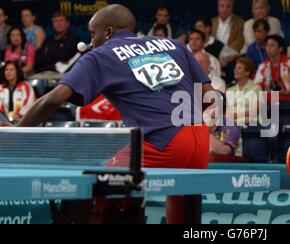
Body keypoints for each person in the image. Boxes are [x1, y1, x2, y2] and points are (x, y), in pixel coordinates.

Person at [2, 4, 215, 224]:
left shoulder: (101, 54)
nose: (91, 41)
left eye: (93, 34)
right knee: (181, 200)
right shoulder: (175, 45)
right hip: (199, 139)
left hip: (162, 141)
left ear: (109, 32)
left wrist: (18, 130)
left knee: (90, 191)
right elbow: (210, 97)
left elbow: (54, 98)